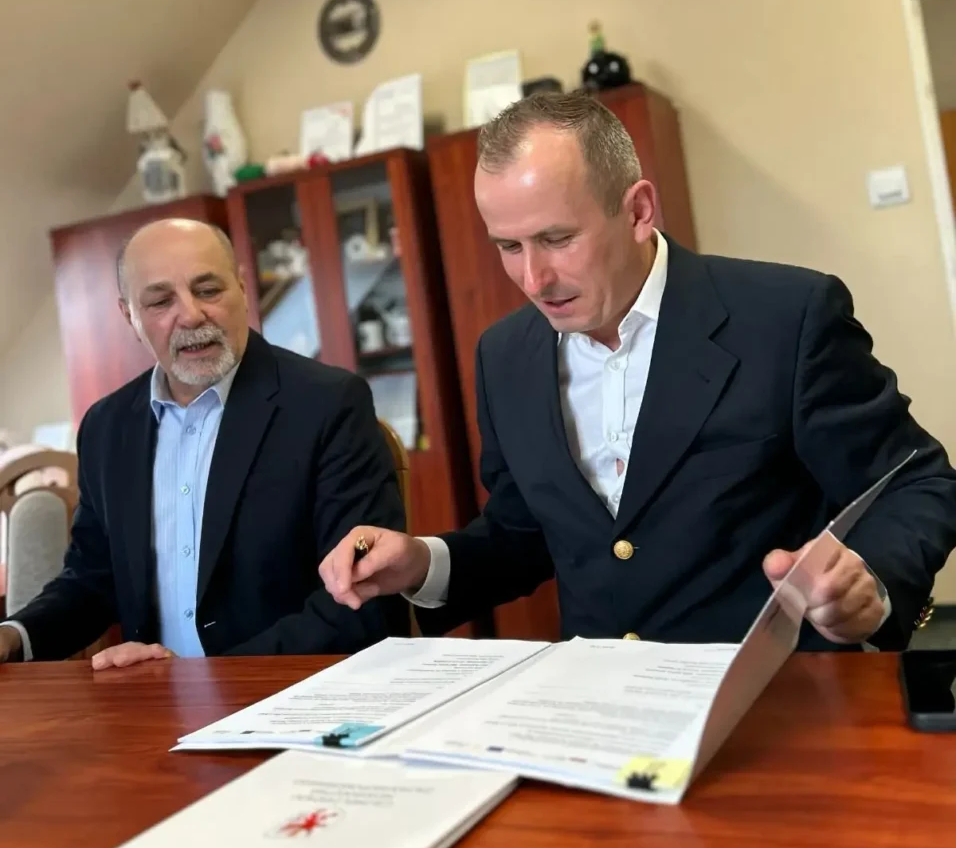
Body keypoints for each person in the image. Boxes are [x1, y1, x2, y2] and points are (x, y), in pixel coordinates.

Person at [320, 91, 956, 651]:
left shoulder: (786, 317)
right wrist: (423, 562)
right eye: (509, 247)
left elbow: (918, 482)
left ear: (638, 210)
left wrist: (870, 582)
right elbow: (523, 535)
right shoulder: (504, 356)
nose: (533, 279)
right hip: (605, 710)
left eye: (557, 239)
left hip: (779, 696)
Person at [0, 219, 406, 666]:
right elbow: (91, 579)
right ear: (129, 316)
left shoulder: (328, 404)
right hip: (152, 701)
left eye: (208, 290)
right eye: (160, 301)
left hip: (291, 691)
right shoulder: (107, 426)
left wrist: (205, 681)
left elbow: (361, 599)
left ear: (242, 288)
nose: (191, 315)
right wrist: (14, 636)